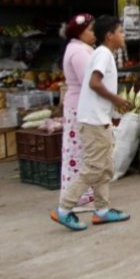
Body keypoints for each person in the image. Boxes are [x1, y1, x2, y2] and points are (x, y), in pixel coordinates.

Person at [50, 16, 132, 231]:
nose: (124, 35)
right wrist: (117, 100)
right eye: (121, 31)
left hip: (99, 118)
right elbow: (94, 83)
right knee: (94, 167)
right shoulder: (102, 54)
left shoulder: (100, 53)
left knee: (105, 167)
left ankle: (103, 210)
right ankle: (64, 208)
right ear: (110, 35)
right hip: (93, 120)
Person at [60, 14, 96, 204]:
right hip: (79, 107)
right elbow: (89, 81)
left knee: (82, 151)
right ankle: (78, 195)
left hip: (79, 106)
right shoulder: (78, 51)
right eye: (90, 30)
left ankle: (82, 192)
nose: (93, 33)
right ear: (79, 33)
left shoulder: (80, 48)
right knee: (78, 151)